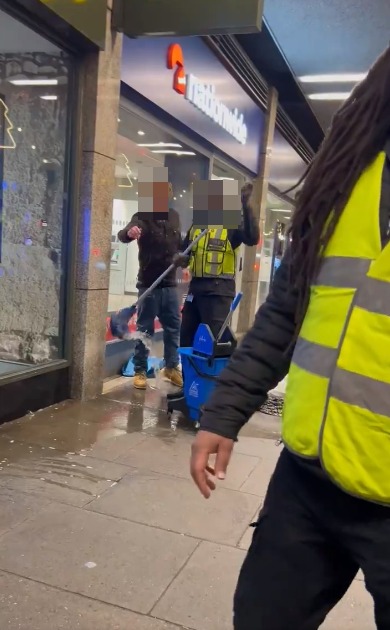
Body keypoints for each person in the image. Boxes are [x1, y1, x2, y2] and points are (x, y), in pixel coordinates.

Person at [190, 46, 390, 630]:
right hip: (307, 482)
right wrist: (222, 413)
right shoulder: (351, 174)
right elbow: (285, 314)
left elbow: (250, 240)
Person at [117, 182, 185, 390]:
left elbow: (178, 245)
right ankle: (140, 370)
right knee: (144, 329)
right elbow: (124, 234)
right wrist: (130, 232)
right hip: (149, 284)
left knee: (173, 328)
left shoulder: (174, 217)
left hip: (170, 283)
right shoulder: (142, 216)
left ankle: (172, 367)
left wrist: (183, 259)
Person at [180, 182, 259, 348]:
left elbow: (252, 238)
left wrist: (247, 206)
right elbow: (184, 251)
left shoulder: (232, 225)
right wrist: (179, 259)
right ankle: (190, 373)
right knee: (186, 338)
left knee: (216, 341)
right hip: (195, 291)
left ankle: (215, 374)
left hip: (219, 293)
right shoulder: (197, 226)